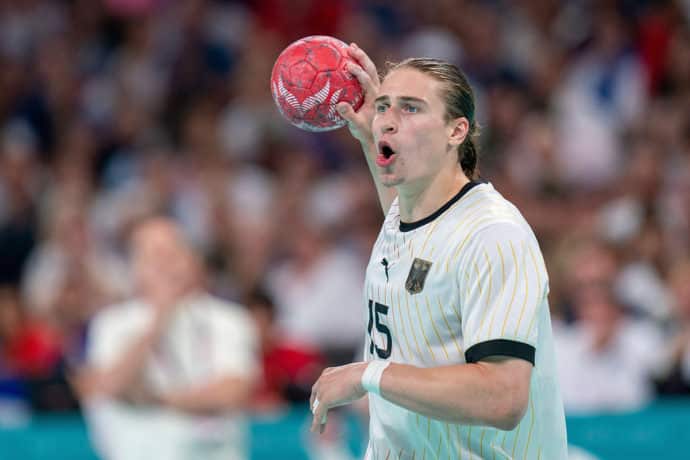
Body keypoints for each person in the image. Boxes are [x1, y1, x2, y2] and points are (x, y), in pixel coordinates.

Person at [308, 45, 568, 459]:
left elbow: (503, 398)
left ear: (456, 131)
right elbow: (411, 231)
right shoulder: (406, 216)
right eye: (384, 107)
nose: (388, 121)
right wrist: (368, 134)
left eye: (411, 109)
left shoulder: (493, 236)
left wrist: (369, 375)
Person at [76, 217, 259, 460]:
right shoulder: (111, 323)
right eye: (153, 256)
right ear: (134, 267)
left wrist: (158, 400)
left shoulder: (230, 318)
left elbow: (233, 390)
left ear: (193, 260)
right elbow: (108, 386)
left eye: (172, 253)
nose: (164, 265)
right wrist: (158, 319)